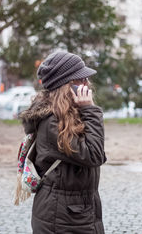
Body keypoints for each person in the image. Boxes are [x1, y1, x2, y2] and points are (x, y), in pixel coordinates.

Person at [20, 51, 106, 234]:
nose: (87, 84)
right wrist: (90, 110)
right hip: (61, 219)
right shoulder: (52, 122)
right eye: (81, 79)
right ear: (66, 85)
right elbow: (94, 154)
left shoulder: (69, 115)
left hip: (73, 214)